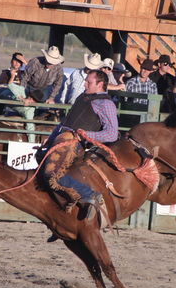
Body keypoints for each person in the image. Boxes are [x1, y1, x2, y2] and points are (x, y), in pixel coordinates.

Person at [40, 70, 118, 218]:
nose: (84, 84)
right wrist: (50, 139)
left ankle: (91, 195)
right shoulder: (83, 97)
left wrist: (87, 135)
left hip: (75, 144)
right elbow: (66, 123)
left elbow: (112, 133)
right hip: (63, 139)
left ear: (100, 84)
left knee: (53, 175)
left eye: (89, 82)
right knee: (40, 162)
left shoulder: (106, 103)